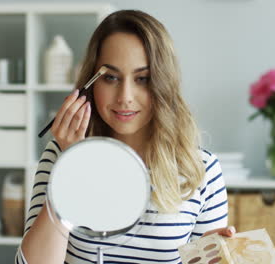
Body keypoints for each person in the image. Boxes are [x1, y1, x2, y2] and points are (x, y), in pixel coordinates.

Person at [15, 9, 233, 264]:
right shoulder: (61, 155)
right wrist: (71, 166)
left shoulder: (200, 169)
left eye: (143, 78)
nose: (125, 96)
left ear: (163, 83)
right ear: (91, 82)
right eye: (110, 77)